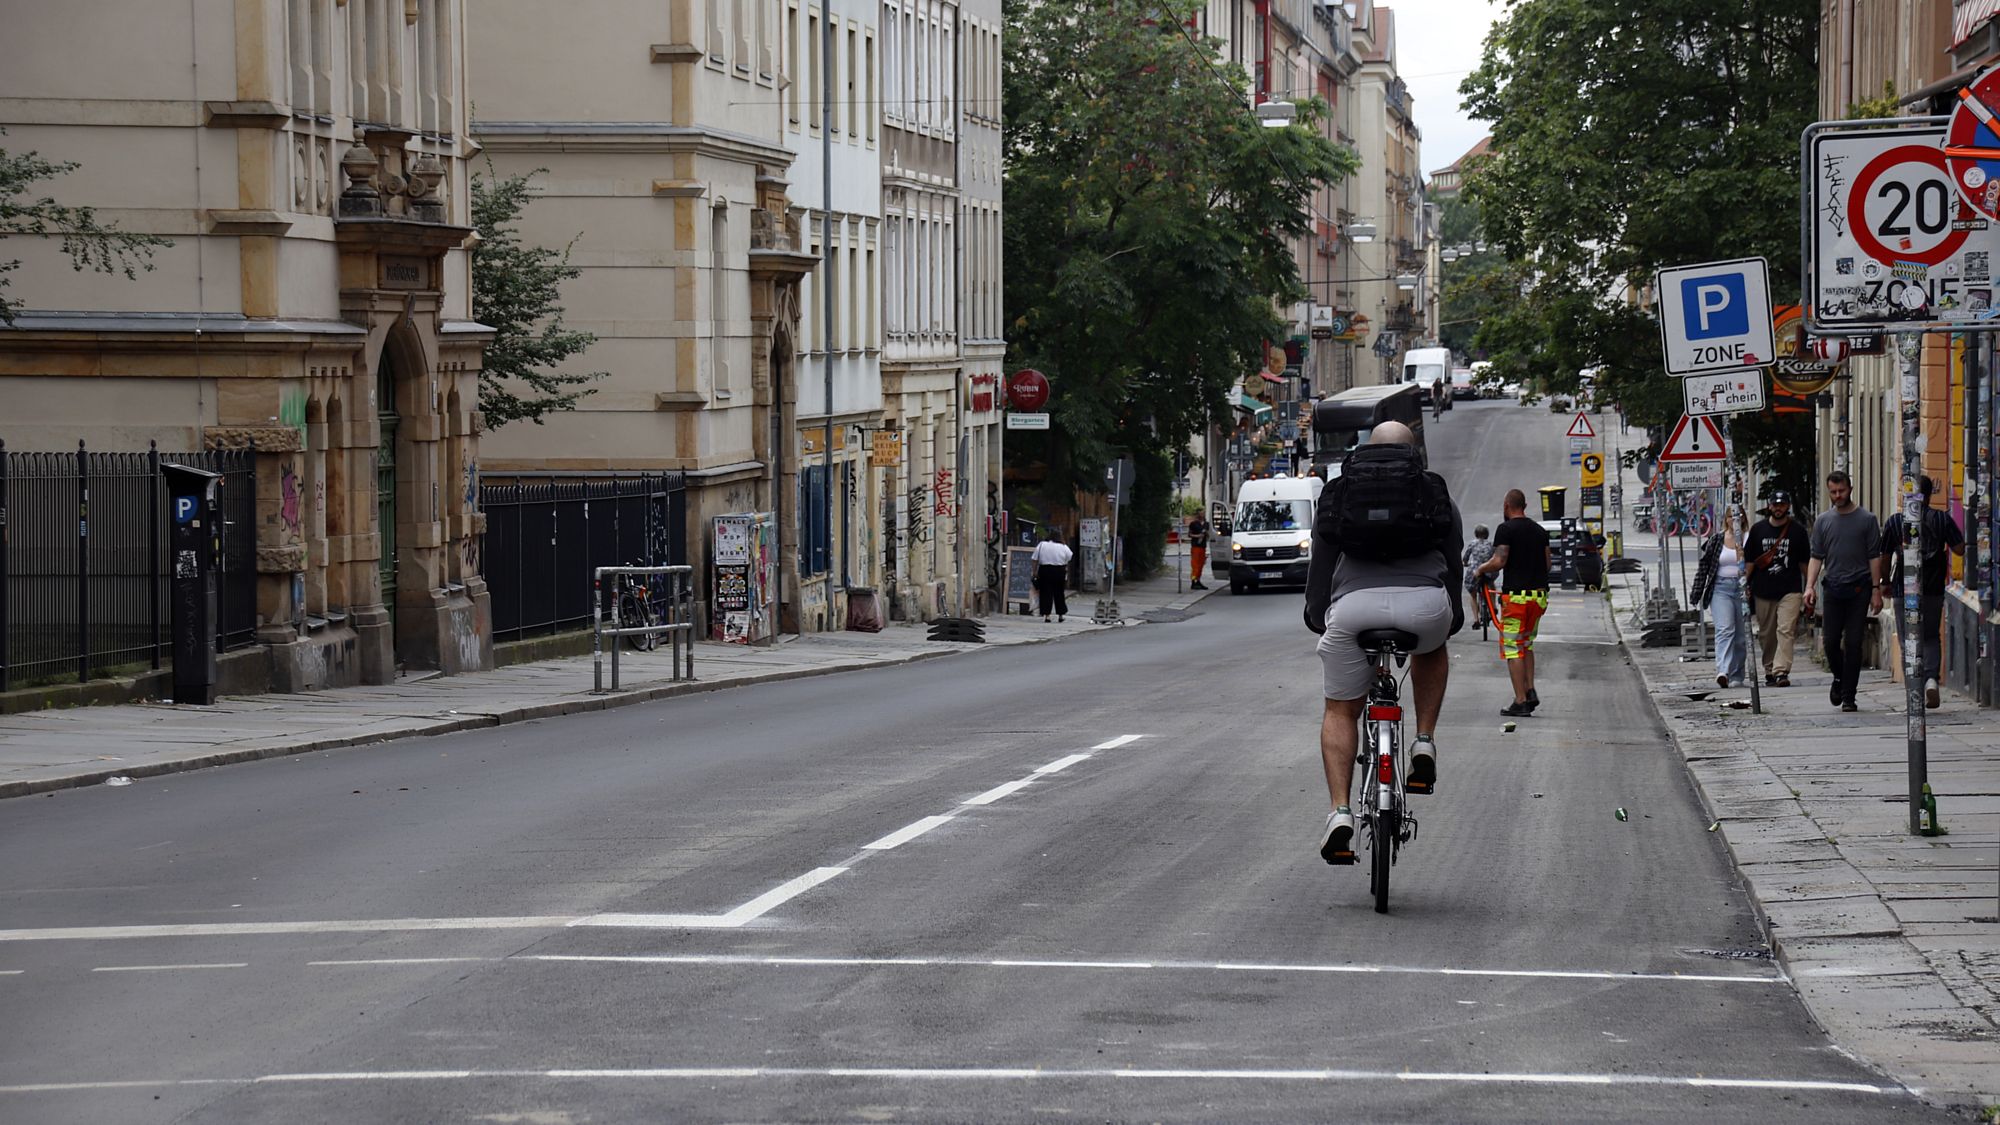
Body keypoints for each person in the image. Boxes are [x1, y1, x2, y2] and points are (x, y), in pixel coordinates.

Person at [1303, 421, 1464, 865]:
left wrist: (1318, 616)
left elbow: (1321, 562)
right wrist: (1448, 620)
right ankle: (1424, 742)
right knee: (1430, 646)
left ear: (1366, 451)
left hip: (1354, 610)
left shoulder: (1341, 492)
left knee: (1341, 709)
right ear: (1415, 454)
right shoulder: (1433, 492)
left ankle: (1340, 811)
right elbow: (1453, 564)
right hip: (1424, 606)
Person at [1879, 476, 1966, 709]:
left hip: (1903, 588)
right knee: (1929, 636)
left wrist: (1884, 582)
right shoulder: (1941, 519)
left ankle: (1913, 686)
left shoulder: (1896, 521)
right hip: (1933, 588)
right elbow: (1959, 549)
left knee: (1908, 637)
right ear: (1929, 494)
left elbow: (1885, 556)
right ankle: (1930, 679)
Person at [1804, 470, 1882, 713]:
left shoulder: (1867, 519)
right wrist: (1809, 587)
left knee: (1854, 642)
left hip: (1859, 588)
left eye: (1842, 491)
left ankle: (1849, 695)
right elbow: (1816, 557)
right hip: (1833, 588)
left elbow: (1874, 557)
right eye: (1833, 492)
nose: (1838, 495)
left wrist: (1876, 589)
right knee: (1829, 642)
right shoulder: (1823, 521)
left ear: (1850, 489)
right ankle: (1839, 677)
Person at [1472, 489, 1552, 716]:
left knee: (1512, 648)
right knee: (1526, 644)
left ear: (1507, 506)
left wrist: (1480, 569)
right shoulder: (1539, 531)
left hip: (1516, 599)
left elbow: (1499, 560)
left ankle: (1520, 700)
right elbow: (1547, 565)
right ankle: (1530, 689)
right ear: (1524, 505)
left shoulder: (1506, 529)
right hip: (1539, 598)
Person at [1744, 491, 1810, 687]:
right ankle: (1770, 669)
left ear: (1788, 506)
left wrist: (1811, 587)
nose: (1778, 508)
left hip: (1790, 590)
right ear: (1769, 506)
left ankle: (1781, 671)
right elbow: (1750, 561)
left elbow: (1804, 562)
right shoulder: (1758, 530)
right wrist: (1744, 584)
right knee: (1766, 633)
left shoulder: (1798, 531)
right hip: (1763, 590)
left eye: (1782, 505)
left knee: (1786, 630)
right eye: (1775, 505)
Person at [1690, 507, 1749, 689]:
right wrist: (1696, 592)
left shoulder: (1749, 539)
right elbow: (1705, 566)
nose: (1734, 520)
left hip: (1742, 588)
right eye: (1731, 517)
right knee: (1725, 629)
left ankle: (1737, 675)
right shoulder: (1717, 539)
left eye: (1738, 516)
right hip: (1721, 588)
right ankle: (1723, 671)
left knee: (1740, 636)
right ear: (1726, 519)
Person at [1030, 528, 1074, 622]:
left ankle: (1047, 615)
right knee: (1059, 593)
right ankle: (1060, 615)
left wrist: (1034, 572)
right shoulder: (1063, 546)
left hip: (1045, 570)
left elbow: (1034, 559)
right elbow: (1069, 556)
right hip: (1059, 570)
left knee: (1046, 592)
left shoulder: (1042, 545)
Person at [1462, 524, 1495, 629]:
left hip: (1474, 571)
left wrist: (1465, 563)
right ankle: (1493, 606)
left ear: (1476, 534)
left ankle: (1476, 620)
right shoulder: (1491, 544)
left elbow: (1466, 557)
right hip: (1488, 570)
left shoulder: (1472, 544)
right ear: (1487, 534)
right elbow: (1494, 557)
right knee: (1492, 585)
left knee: (1473, 594)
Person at [1186, 512, 1210, 591]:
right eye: (1200, 513)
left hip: (1203, 546)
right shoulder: (1194, 524)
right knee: (1195, 565)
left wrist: (1207, 534)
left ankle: (1198, 580)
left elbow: (1208, 535)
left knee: (1201, 565)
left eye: (1203, 513)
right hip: (1196, 546)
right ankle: (1193, 581)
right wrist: (1197, 536)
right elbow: (1189, 534)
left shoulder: (1206, 524)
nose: (1202, 515)